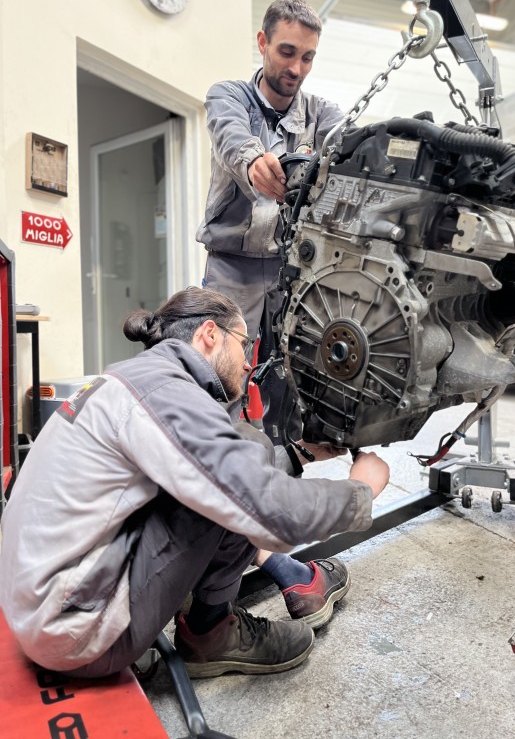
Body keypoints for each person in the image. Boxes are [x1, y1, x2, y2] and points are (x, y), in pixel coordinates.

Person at [0, 287, 389, 679]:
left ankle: (212, 617)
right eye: (244, 344)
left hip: (40, 605)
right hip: (75, 634)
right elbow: (272, 515)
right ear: (209, 333)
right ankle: (211, 633)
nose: (248, 362)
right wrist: (361, 490)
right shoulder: (168, 392)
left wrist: (299, 453)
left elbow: (214, 461)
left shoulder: (136, 377)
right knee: (245, 452)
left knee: (230, 462)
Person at [196, 0, 344, 448]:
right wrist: (254, 160)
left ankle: (283, 469)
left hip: (289, 269)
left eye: (307, 57)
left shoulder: (320, 114)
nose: (296, 68)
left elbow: (349, 142)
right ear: (262, 43)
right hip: (231, 266)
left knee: (289, 373)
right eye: (286, 52)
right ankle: (216, 470)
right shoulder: (229, 95)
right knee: (219, 373)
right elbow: (230, 135)